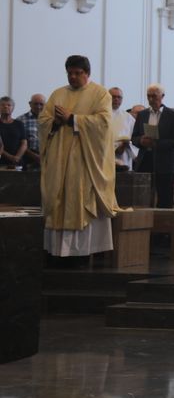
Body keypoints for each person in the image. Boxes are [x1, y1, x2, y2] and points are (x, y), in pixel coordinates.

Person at [39, 55, 119, 257]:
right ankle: (57, 251)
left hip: (84, 160)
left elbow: (103, 124)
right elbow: (43, 121)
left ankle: (82, 252)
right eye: (70, 73)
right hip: (59, 159)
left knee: (80, 200)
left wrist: (72, 119)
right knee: (58, 199)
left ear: (87, 73)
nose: (73, 77)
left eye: (77, 73)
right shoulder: (58, 94)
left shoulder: (100, 94)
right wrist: (55, 122)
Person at [132, 84, 174, 208]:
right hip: (145, 159)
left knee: (165, 198)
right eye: (148, 96)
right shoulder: (142, 114)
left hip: (165, 161)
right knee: (142, 196)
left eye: (154, 96)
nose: (151, 99)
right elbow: (134, 137)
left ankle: (163, 226)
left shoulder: (173, 115)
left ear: (162, 96)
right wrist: (141, 141)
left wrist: (157, 143)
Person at [108, 88, 137, 171]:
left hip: (123, 157)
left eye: (119, 97)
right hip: (105, 155)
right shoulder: (101, 115)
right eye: (113, 97)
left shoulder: (128, 117)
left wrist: (125, 144)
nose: (116, 99)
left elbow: (134, 138)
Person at [17, 93, 44, 170]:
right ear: (30, 104)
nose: (38, 107)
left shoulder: (51, 119)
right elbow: (18, 142)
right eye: (35, 104)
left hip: (47, 157)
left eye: (41, 104)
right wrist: (34, 156)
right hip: (27, 158)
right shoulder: (20, 120)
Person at [0, 96, 28, 169]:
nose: (6, 107)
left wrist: (17, 157)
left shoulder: (19, 124)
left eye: (9, 105)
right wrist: (10, 157)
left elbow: (24, 143)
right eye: (3, 105)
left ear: (13, 108)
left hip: (18, 162)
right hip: (1, 162)